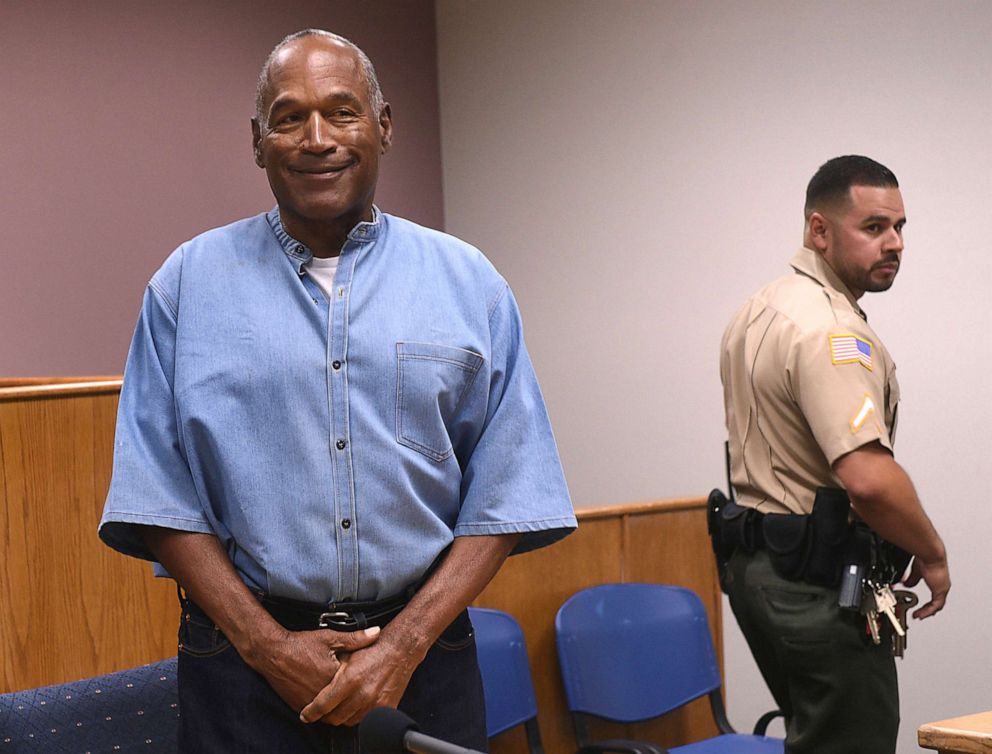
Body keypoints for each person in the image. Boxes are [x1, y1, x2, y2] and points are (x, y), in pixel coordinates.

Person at [99, 28, 575, 754]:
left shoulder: (468, 282)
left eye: (342, 111)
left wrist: (404, 646)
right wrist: (267, 647)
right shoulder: (185, 287)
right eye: (289, 117)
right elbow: (158, 497)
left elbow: (509, 491)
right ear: (258, 142)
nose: (317, 138)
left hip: (425, 662)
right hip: (241, 670)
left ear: (383, 127)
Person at [718, 155, 950, 754]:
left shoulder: (760, 308)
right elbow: (868, 480)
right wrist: (932, 552)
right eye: (873, 228)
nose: (894, 243)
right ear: (819, 230)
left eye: (900, 227)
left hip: (759, 571)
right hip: (815, 583)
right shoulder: (830, 330)